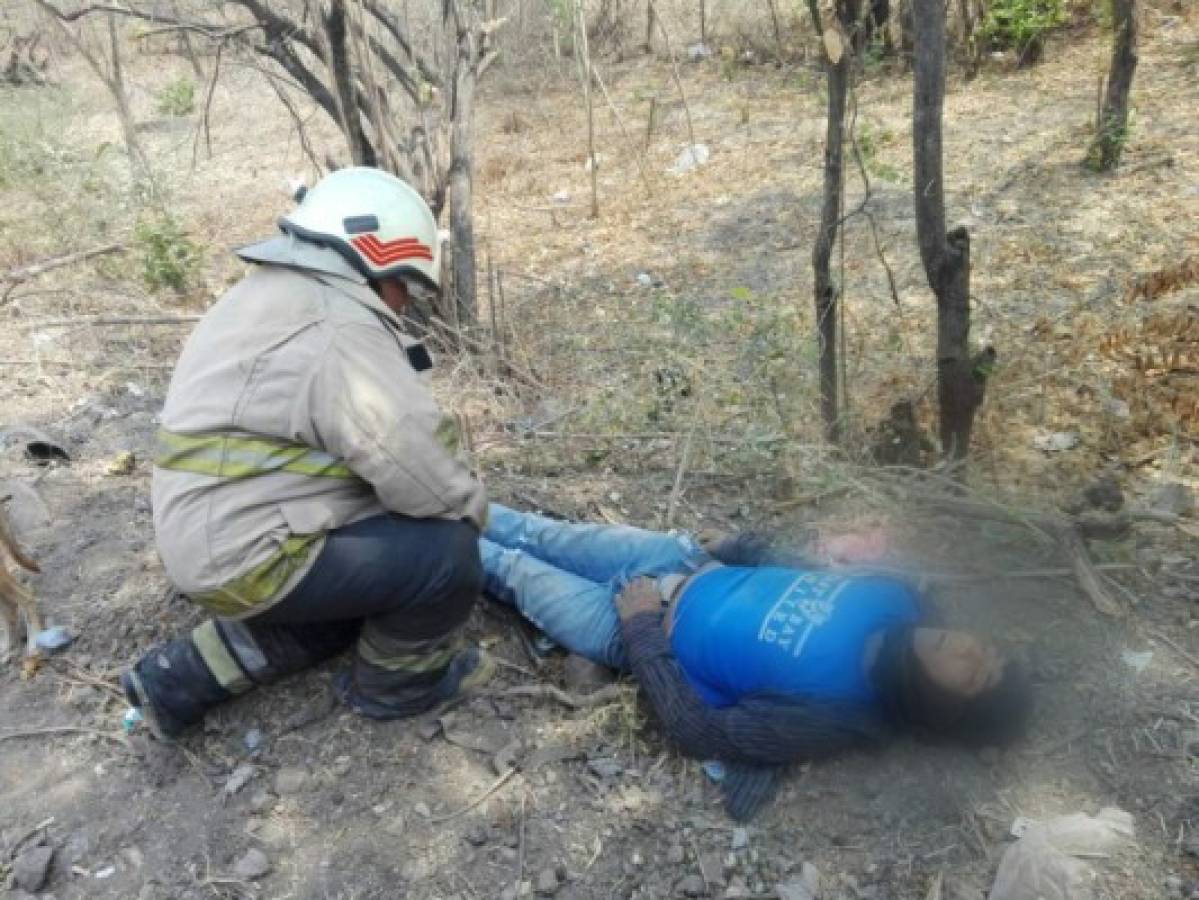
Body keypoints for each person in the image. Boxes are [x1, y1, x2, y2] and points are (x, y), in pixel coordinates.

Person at [122, 167, 491, 739]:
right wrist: (474, 520)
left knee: (365, 597)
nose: (403, 304)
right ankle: (397, 688)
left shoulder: (265, 292)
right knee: (446, 557)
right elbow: (424, 474)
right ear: (373, 259)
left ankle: (179, 678)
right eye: (404, 285)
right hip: (253, 551)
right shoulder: (336, 326)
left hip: (209, 538)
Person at [480, 504, 1032, 820]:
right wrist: (737, 548)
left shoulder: (843, 715)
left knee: (508, 567)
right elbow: (791, 570)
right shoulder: (902, 600)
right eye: (987, 648)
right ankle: (417, 483)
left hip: (623, 626)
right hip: (677, 560)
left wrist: (642, 625)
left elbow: (699, 730)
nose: (968, 649)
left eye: (976, 675)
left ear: (944, 711)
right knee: (533, 531)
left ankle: (405, 535)